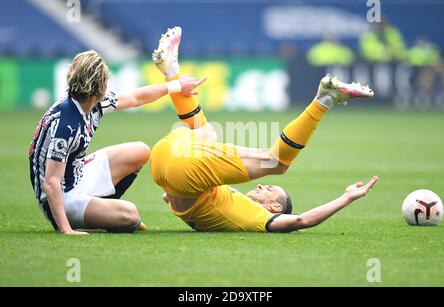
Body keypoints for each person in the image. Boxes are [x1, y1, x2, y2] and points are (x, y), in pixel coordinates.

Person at [149, 27, 378, 232]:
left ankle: (325, 100)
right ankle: (171, 71)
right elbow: (166, 197)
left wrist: (346, 198)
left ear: (275, 207)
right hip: (160, 165)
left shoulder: (258, 217)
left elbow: (301, 221)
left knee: (277, 164)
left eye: (269, 189)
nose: (260, 185)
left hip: (175, 158)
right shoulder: (231, 206)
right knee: (208, 133)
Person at [29, 49, 204, 235]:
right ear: (97, 86)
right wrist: (65, 229)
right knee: (130, 216)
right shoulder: (66, 125)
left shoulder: (91, 103)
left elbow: (136, 98)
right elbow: (51, 182)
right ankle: (101, 216)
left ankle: (102, 210)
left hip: (77, 174)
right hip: (61, 198)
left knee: (140, 151)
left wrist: (177, 85)